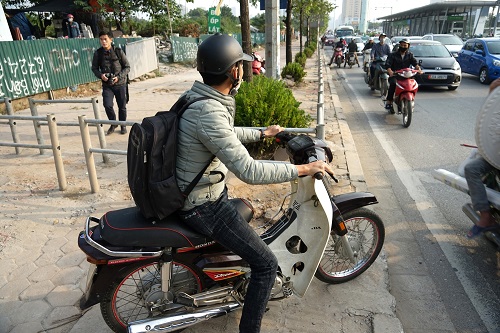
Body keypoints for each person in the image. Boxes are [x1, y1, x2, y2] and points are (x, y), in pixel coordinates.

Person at [175, 33, 333, 333]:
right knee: (265, 264)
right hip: (203, 206)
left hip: (201, 194)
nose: (242, 72)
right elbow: (250, 171)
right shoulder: (208, 110)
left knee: (248, 220)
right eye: (240, 66)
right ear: (233, 71)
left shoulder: (197, 98)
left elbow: (224, 132)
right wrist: (302, 169)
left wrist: (262, 133)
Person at [463, 78, 500, 238]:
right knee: (471, 168)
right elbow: (492, 117)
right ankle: (486, 215)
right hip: (496, 155)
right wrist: (493, 91)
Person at [91, 31, 130, 135]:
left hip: (120, 84)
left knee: (122, 106)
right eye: (101, 39)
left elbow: (127, 67)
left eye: (105, 39)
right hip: (107, 85)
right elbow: (94, 68)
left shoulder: (118, 51)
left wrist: (118, 77)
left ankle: (123, 125)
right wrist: (101, 75)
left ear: (111, 40)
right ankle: (113, 123)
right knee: (107, 105)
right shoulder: (98, 53)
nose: (103, 42)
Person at [384, 39, 421, 111]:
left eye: (405, 45)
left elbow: (415, 64)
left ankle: (410, 98)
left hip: (407, 75)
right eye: (401, 45)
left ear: (408, 46)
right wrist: (390, 72)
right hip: (396, 75)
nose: (403, 47)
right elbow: (387, 65)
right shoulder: (393, 55)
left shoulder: (410, 55)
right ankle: (389, 101)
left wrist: (419, 70)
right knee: (393, 84)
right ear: (399, 45)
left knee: (413, 83)